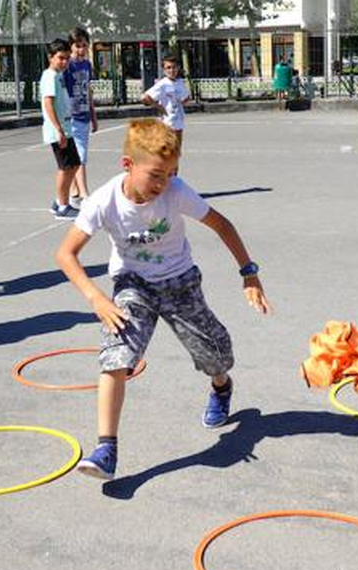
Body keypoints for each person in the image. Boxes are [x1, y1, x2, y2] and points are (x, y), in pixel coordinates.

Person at [55, 119, 271, 480]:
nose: (163, 183)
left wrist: (249, 273)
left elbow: (223, 225)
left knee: (215, 355)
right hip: (132, 284)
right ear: (128, 164)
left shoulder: (176, 192)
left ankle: (221, 386)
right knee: (115, 354)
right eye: (156, 174)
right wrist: (96, 298)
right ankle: (106, 447)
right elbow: (65, 254)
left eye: (171, 174)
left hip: (180, 281)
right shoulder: (103, 200)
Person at [41, 38, 80, 220]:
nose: (64, 62)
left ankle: (59, 201)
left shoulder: (58, 75)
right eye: (60, 58)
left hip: (66, 128)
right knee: (65, 168)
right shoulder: (49, 76)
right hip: (59, 131)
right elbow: (48, 103)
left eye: (66, 58)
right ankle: (63, 207)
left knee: (74, 165)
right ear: (51, 57)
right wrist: (59, 130)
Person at [64, 26, 98, 206]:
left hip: (84, 114)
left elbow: (88, 90)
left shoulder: (87, 65)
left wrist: (93, 115)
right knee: (80, 157)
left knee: (78, 156)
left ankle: (73, 192)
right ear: (71, 46)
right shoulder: (67, 65)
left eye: (84, 45)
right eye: (77, 46)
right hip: (72, 117)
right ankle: (84, 195)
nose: (81, 49)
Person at [142, 53, 191, 152]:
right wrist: (159, 106)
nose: (171, 70)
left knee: (176, 154)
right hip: (167, 124)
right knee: (168, 154)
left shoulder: (180, 82)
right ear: (164, 70)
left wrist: (183, 101)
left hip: (178, 122)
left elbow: (185, 99)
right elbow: (144, 97)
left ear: (178, 68)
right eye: (168, 68)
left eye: (174, 67)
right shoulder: (162, 84)